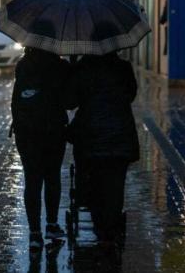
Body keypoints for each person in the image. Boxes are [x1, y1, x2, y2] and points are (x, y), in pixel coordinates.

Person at [67, 52, 139, 244]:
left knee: (94, 183)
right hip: (120, 136)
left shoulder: (83, 67)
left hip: (90, 137)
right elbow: (131, 95)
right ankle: (110, 227)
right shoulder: (123, 67)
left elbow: (70, 101)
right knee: (116, 185)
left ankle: (101, 228)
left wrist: (72, 68)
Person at [11, 47, 71, 251]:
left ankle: (34, 233)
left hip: (27, 132)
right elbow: (71, 102)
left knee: (32, 180)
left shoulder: (23, 65)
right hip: (53, 131)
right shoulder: (61, 66)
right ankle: (52, 224)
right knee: (52, 177)